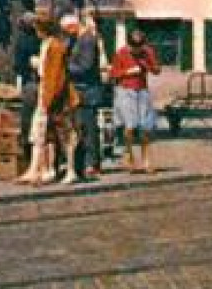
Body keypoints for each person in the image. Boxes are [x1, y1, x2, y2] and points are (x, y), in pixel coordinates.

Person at [19, 16, 77, 185]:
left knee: (65, 134)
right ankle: (42, 169)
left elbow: (55, 76)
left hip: (55, 97)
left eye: (37, 29)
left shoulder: (55, 46)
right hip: (46, 94)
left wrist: (48, 100)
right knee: (44, 134)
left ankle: (69, 170)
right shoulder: (46, 45)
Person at [106, 28, 160, 174]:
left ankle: (146, 159)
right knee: (129, 126)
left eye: (138, 48)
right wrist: (127, 72)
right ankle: (129, 156)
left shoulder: (147, 52)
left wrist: (147, 65)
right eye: (133, 48)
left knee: (145, 127)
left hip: (142, 90)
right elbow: (113, 74)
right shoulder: (121, 53)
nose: (135, 51)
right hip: (125, 90)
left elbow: (157, 69)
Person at [65, 14, 104, 180]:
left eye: (67, 30)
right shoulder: (76, 39)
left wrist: (64, 66)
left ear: (73, 26)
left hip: (87, 91)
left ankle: (91, 163)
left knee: (88, 128)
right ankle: (84, 163)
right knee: (82, 127)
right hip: (80, 91)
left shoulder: (87, 40)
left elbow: (86, 66)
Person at [11, 12, 42, 171]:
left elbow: (17, 65)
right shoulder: (41, 39)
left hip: (29, 83)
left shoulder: (21, 42)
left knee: (28, 121)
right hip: (42, 82)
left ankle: (29, 158)